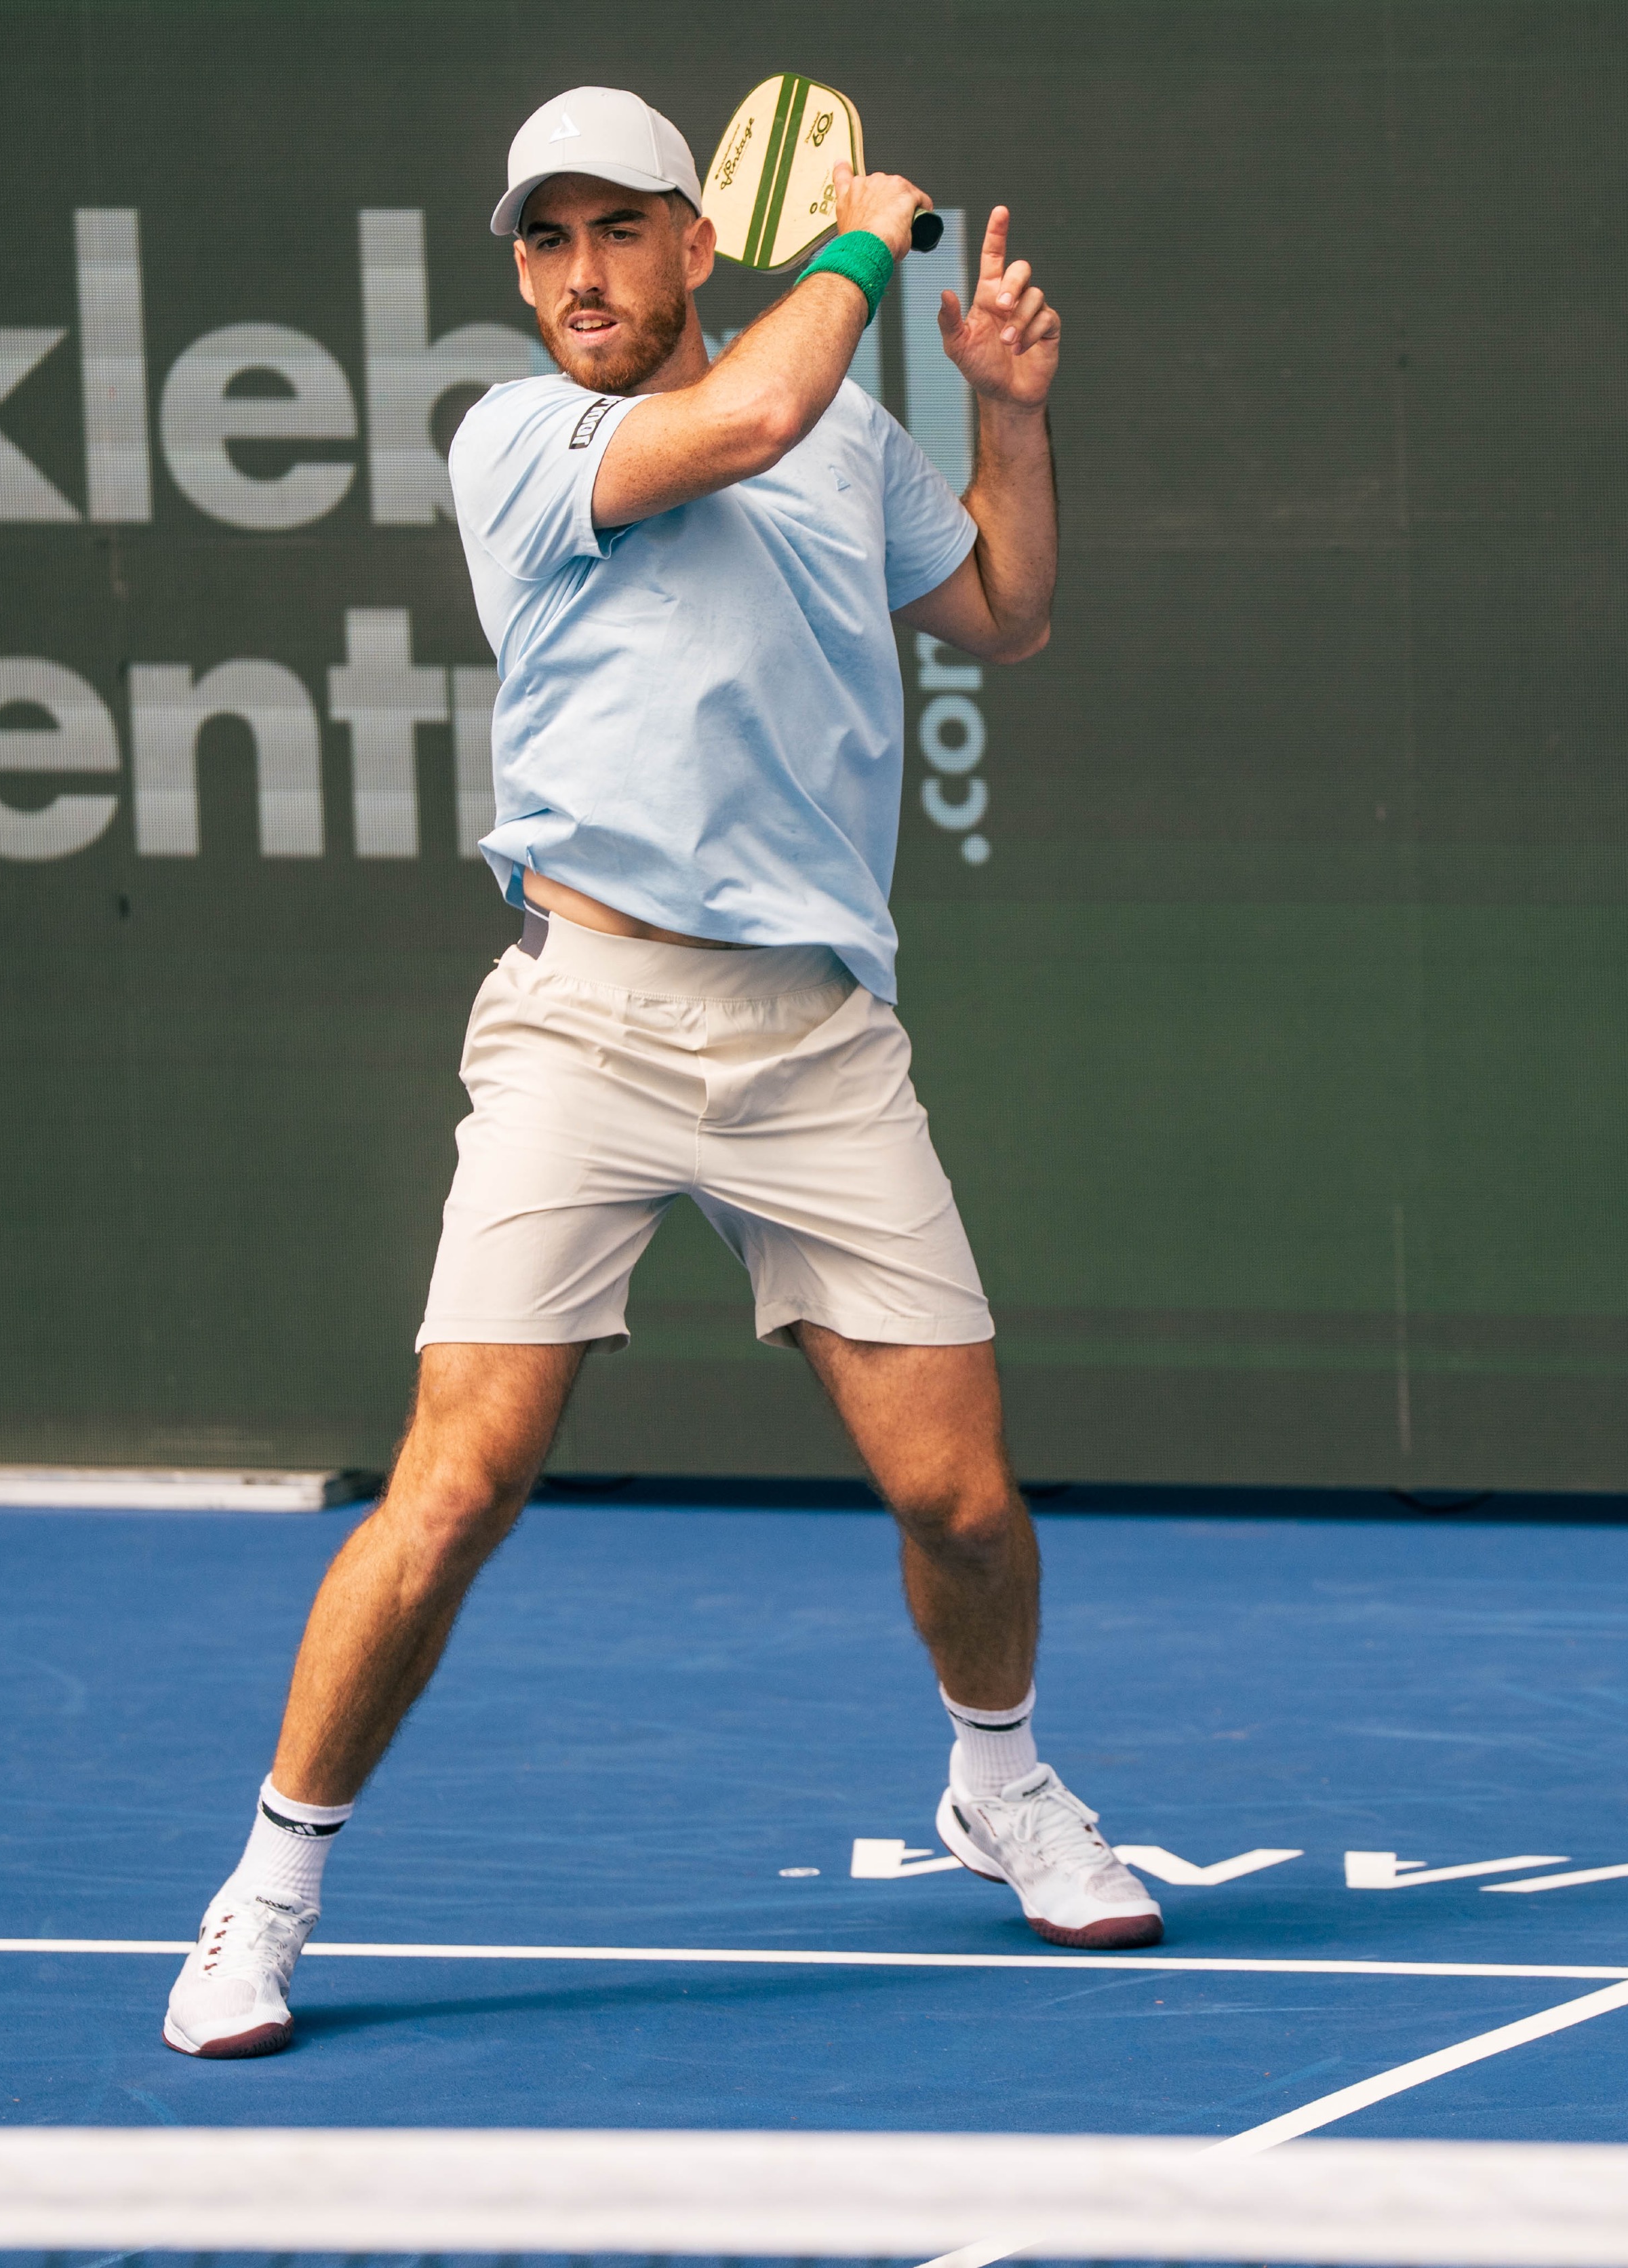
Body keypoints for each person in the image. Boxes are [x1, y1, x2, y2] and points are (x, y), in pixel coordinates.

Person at [163, 85, 1156, 2060]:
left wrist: (1010, 417)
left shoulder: (850, 430)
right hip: (584, 1023)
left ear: (699, 244)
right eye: (546, 241)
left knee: (962, 1504)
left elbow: (1007, 611)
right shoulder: (525, 439)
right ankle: (262, 1898)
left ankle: (1000, 1783)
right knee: (453, 1487)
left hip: (815, 1038)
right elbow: (751, 419)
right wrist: (869, 238)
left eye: (620, 231)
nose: (580, 275)